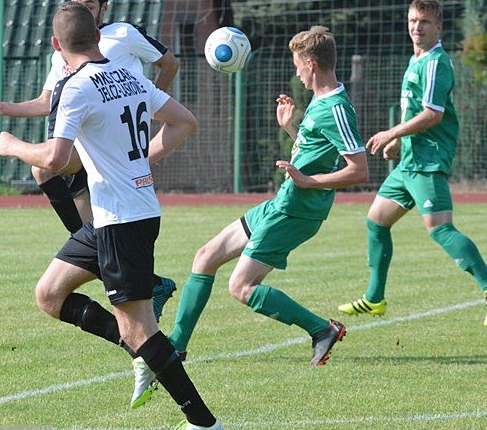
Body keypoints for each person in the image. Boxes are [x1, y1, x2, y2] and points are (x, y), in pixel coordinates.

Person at [0, 1, 223, 430]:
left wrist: (11, 146)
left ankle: (202, 422)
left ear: (57, 46)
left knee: (138, 324)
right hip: (117, 215)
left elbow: (56, 160)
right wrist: (142, 160)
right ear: (99, 37)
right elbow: (184, 121)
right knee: (49, 294)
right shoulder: (131, 76)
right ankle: (145, 353)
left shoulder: (76, 87)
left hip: (122, 220)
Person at [131, 25, 369, 403]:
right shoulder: (320, 105)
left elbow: (359, 169)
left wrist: (308, 181)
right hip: (281, 203)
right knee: (205, 256)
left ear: (311, 63)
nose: (297, 74)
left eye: (298, 66)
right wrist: (291, 127)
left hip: (295, 211)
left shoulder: (337, 107)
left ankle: (321, 329)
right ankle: (176, 347)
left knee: (240, 288)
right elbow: (313, 152)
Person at [0, 0, 178, 322]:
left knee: (47, 166)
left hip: (108, 139)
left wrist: (149, 106)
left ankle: (121, 272)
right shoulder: (63, 51)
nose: (81, 9)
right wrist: (1, 107)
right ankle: (137, 277)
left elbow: (169, 64)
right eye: (76, 3)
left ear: (103, 8)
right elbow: (46, 101)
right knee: (68, 196)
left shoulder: (122, 33)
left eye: (89, 4)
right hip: (84, 138)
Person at [337, 0, 487, 326]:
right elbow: (417, 113)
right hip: (410, 162)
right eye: (413, 20)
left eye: (425, 22)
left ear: (438, 27)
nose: (417, 27)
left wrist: (391, 133)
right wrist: (400, 144)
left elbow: (432, 114)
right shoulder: (416, 60)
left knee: (439, 228)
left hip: (428, 161)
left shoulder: (436, 63)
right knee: (376, 221)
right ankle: (375, 299)